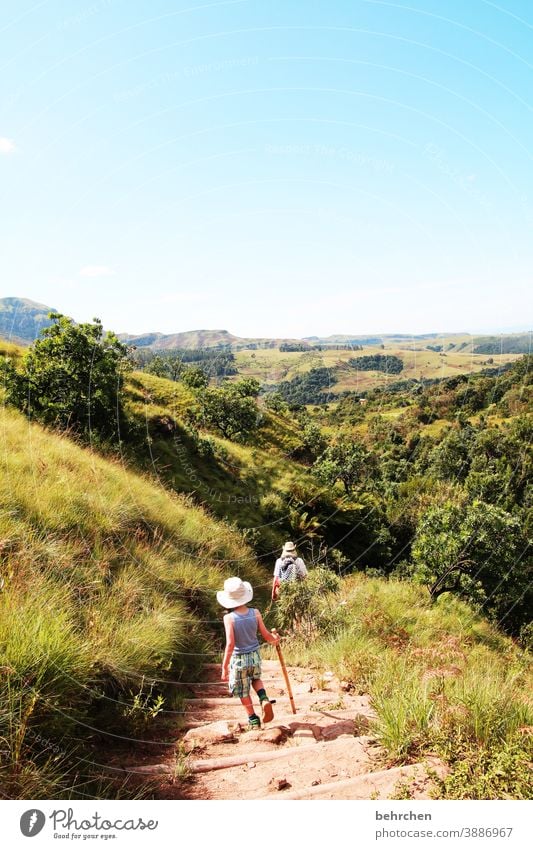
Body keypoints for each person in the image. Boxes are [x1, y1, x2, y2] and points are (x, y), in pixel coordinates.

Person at [217, 576, 280, 729]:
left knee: (242, 690)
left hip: (239, 660)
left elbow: (231, 644)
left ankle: (252, 718)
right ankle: (264, 698)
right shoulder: (255, 612)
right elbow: (265, 635)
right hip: (255, 656)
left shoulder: (229, 618)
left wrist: (225, 667)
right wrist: (275, 639)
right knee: (256, 679)